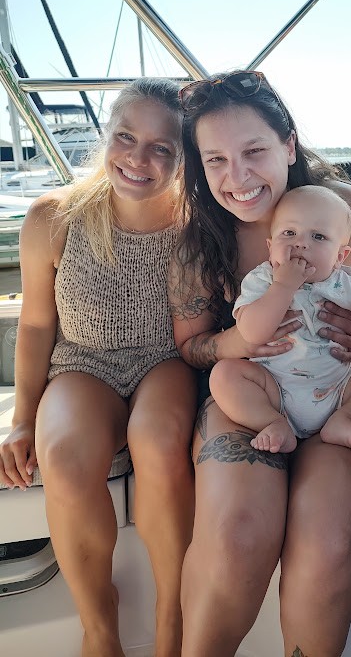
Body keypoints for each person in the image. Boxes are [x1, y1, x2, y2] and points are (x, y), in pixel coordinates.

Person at [169, 69, 351, 656]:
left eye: (254, 152)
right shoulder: (202, 240)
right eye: (216, 160)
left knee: (331, 541)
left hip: (341, 395)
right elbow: (192, 346)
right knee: (236, 533)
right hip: (257, 395)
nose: (238, 177)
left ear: (289, 145)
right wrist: (240, 342)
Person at [0, 78, 197, 657]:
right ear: (106, 136)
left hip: (165, 362)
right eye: (126, 137)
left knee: (159, 440)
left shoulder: (197, 225)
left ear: (183, 157)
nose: (138, 158)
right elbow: (37, 325)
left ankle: (171, 614)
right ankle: (99, 624)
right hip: (82, 364)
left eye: (162, 148)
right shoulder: (54, 218)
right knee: (62, 457)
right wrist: (22, 418)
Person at [210, 184, 351, 456]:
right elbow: (251, 333)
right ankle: (272, 423)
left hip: (339, 386)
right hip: (274, 389)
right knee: (224, 375)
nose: (301, 243)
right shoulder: (263, 279)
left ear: (340, 256)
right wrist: (282, 287)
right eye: (289, 233)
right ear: (270, 247)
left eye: (318, 236)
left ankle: (346, 419)